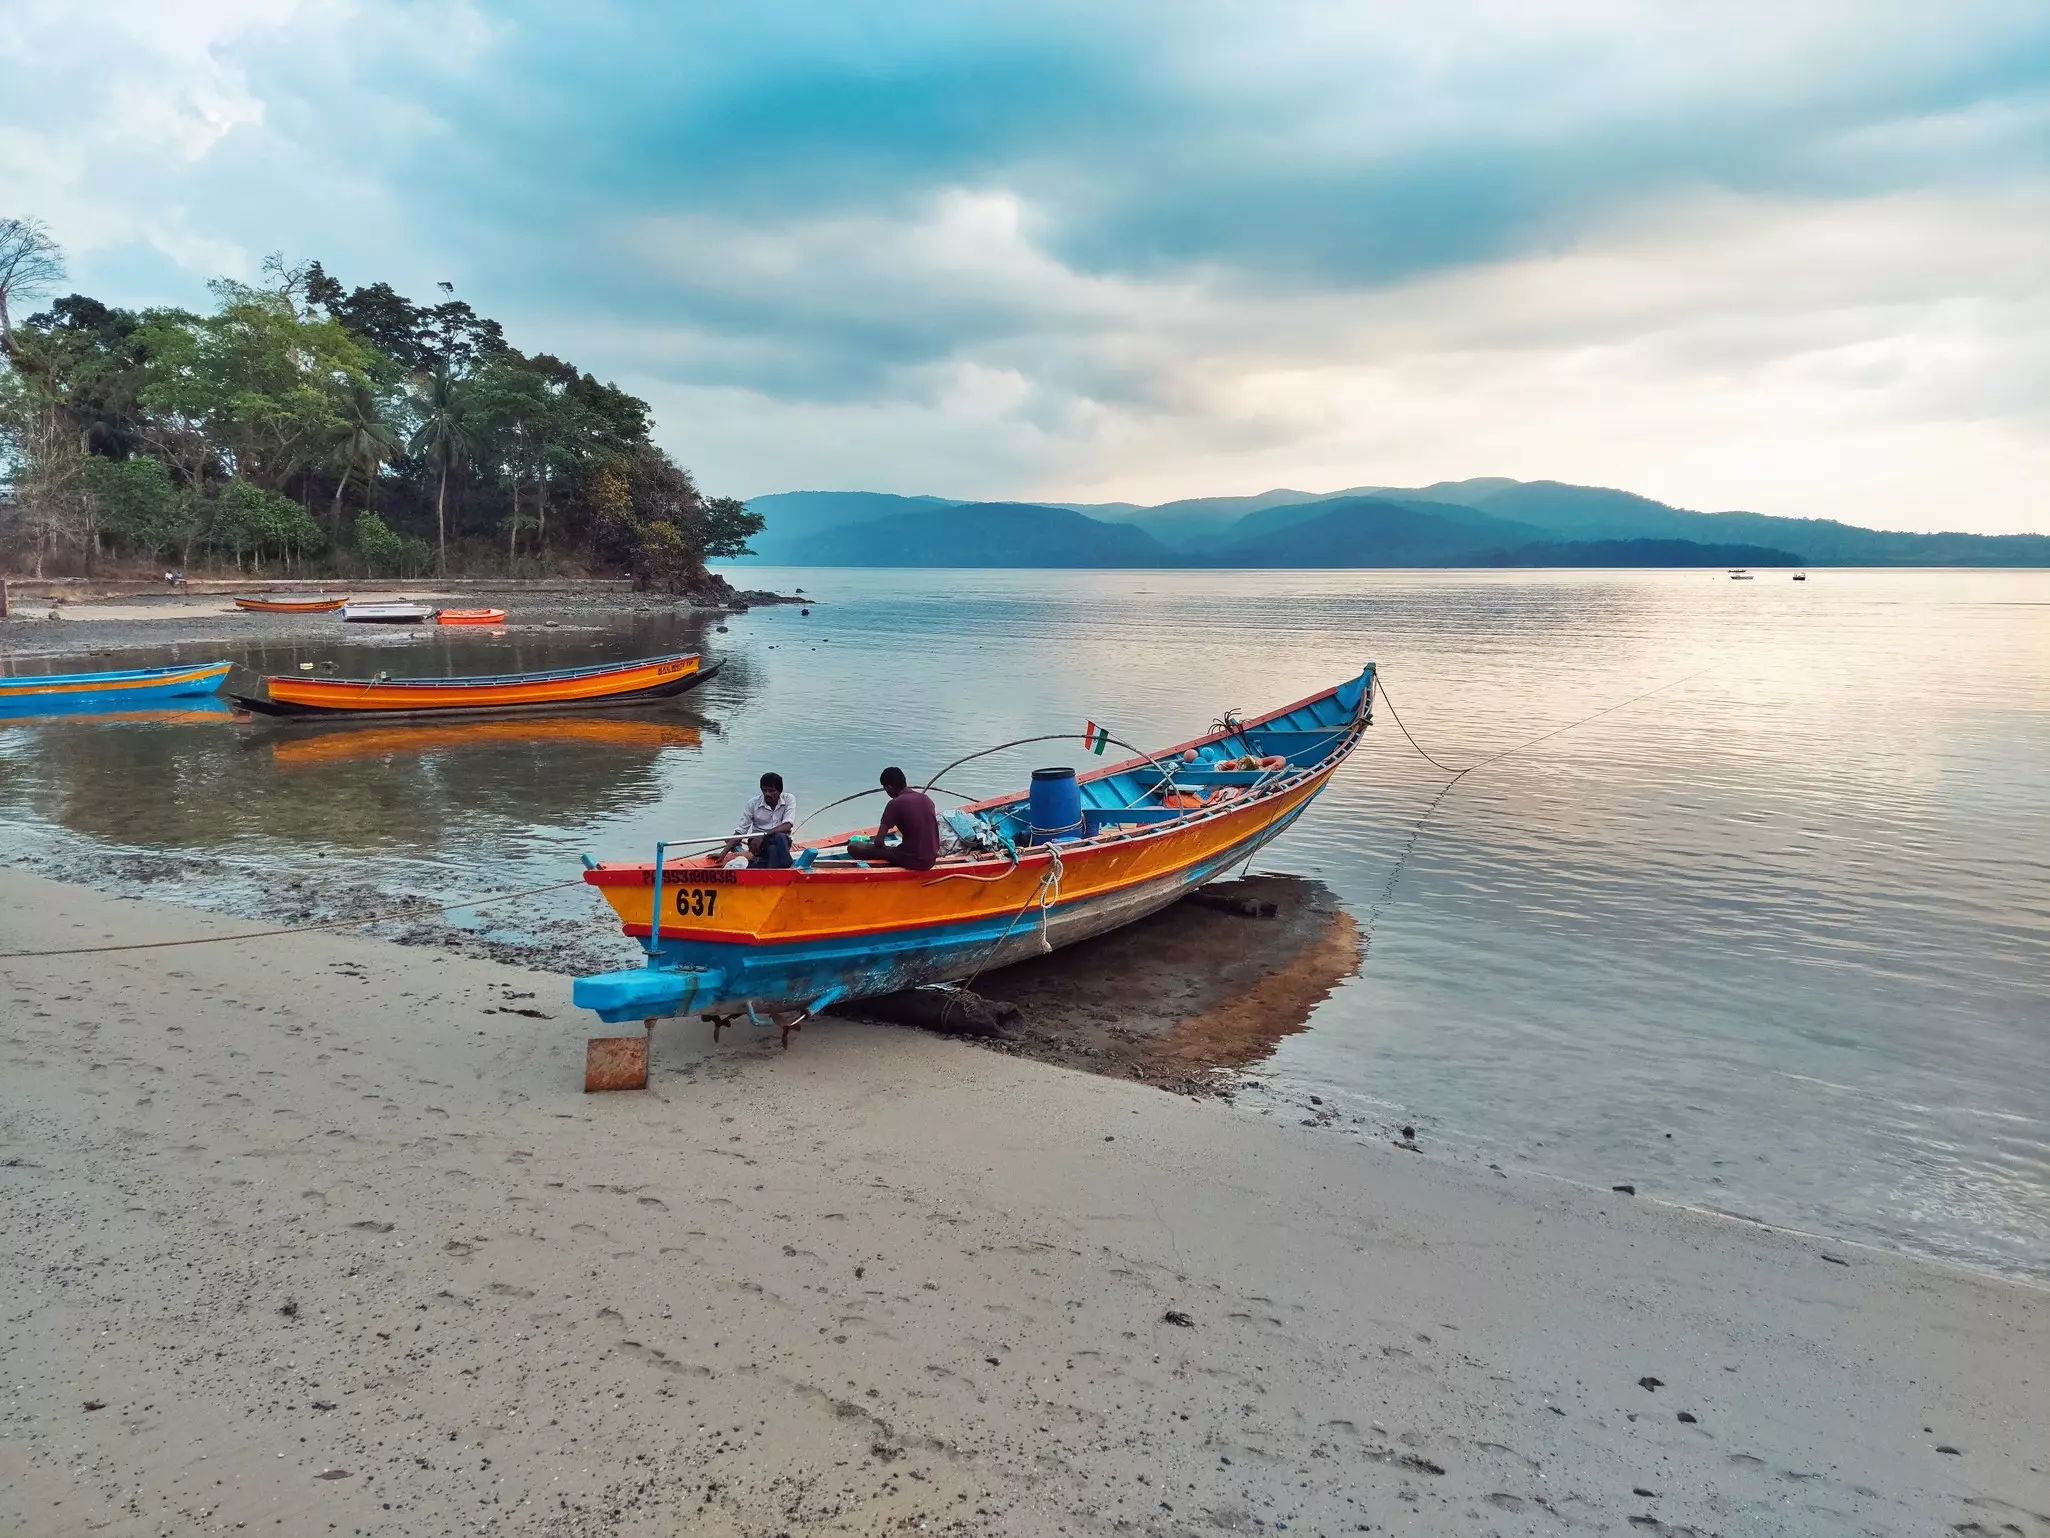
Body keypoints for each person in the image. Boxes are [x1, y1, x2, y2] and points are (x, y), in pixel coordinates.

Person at [847, 766, 939, 871]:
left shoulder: (895, 804)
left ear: (889, 787)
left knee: (853, 847)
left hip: (914, 861)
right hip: (931, 859)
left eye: (885, 789)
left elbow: (878, 842)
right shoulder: (926, 799)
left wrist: (883, 849)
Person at [726, 772, 795, 868]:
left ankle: (776, 870)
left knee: (775, 845)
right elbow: (741, 831)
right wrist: (723, 853)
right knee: (777, 840)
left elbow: (787, 825)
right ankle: (788, 866)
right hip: (757, 845)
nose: (767, 794)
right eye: (765, 790)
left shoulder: (789, 799)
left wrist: (763, 835)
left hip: (780, 842)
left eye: (771, 791)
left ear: (779, 791)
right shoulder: (753, 803)